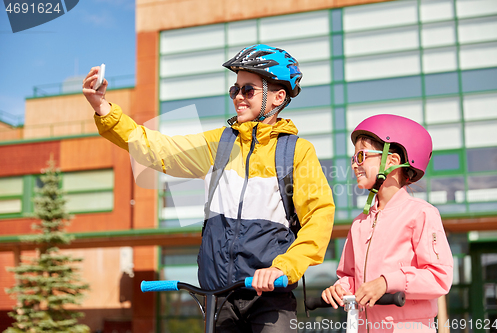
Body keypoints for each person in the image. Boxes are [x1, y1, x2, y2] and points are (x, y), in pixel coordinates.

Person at [83, 44, 335, 332]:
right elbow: (158, 149)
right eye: (234, 90)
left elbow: (319, 217)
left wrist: (285, 267)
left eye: (248, 90)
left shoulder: (296, 152)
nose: (238, 97)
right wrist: (103, 108)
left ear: (278, 96)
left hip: (270, 298)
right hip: (218, 298)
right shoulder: (219, 144)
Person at [321, 114, 453, 333]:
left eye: (361, 156)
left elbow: (439, 278)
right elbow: (350, 277)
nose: (355, 165)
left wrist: (387, 282)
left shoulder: (422, 214)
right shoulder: (359, 223)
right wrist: (339, 288)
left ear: (391, 161)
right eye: (353, 158)